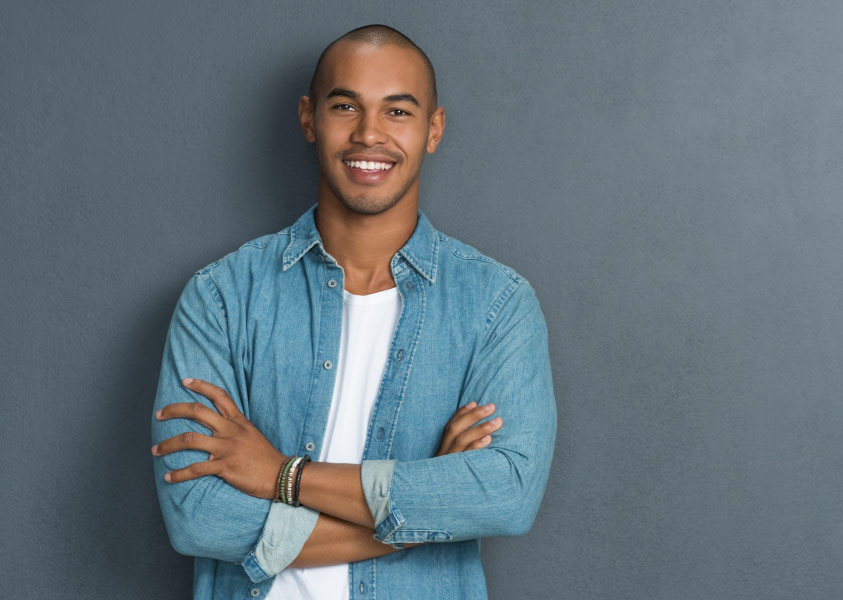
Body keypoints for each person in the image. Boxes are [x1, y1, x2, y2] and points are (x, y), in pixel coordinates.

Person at [151, 24, 556, 599]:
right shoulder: (221, 297)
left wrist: (281, 476)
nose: (370, 134)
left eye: (398, 111)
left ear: (433, 129)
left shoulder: (496, 304)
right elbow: (197, 516)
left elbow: (508, 497)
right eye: (346, 106)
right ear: (308, 118)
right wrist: (429, 504)